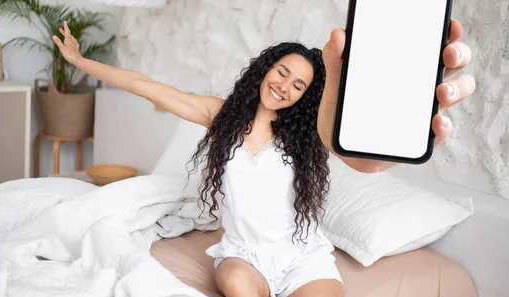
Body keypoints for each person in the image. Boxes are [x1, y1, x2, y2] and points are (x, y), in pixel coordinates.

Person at [53, 19, 474, 297]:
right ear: (266, 69)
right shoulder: (220, 116)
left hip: (303, 257)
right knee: (235, 281)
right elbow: (146, 85)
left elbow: (363, 161)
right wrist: (79, 60)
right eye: (282, 73)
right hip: (245, 254)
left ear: (305, 98)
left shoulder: (310, 134)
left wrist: (407, 138)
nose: (285, 87)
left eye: (299, 86)